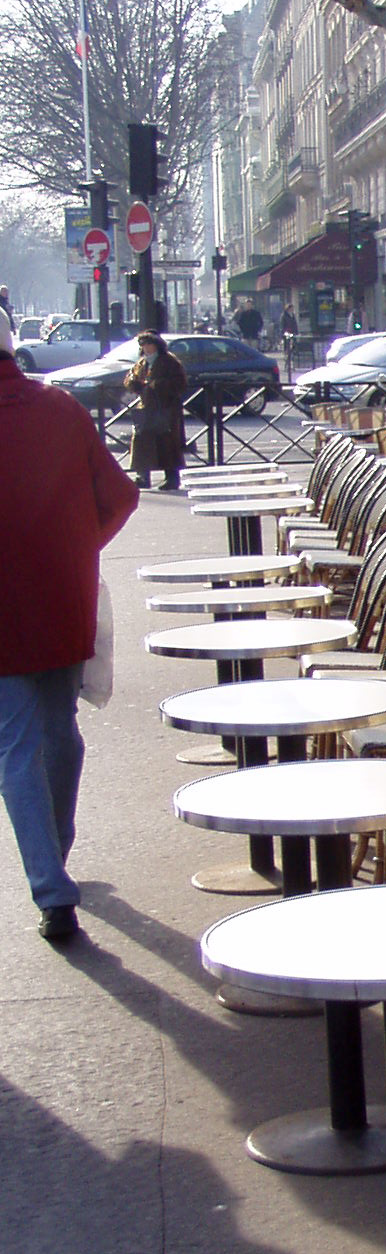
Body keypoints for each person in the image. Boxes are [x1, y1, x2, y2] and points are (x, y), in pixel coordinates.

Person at [0, 311, 138, 943]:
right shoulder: (61, 408)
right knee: (61, 733)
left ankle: (52, 887)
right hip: (62, 593)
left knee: (15, 748)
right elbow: (122, 494)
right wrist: (82, 545)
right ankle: (55, 854)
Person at [126, 330, 188, 490]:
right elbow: (129, 379)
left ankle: (172, 478)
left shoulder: (169, 361)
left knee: (167, 443)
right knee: (141, 442)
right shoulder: (142, 363)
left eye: (149, 344)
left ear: (156, 345)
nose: (146, 348)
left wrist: (159, 384)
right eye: (143, 345)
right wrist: (134, 382)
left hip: (166, 408)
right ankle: (142, 476)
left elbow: (180, 383)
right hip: (146, 407)